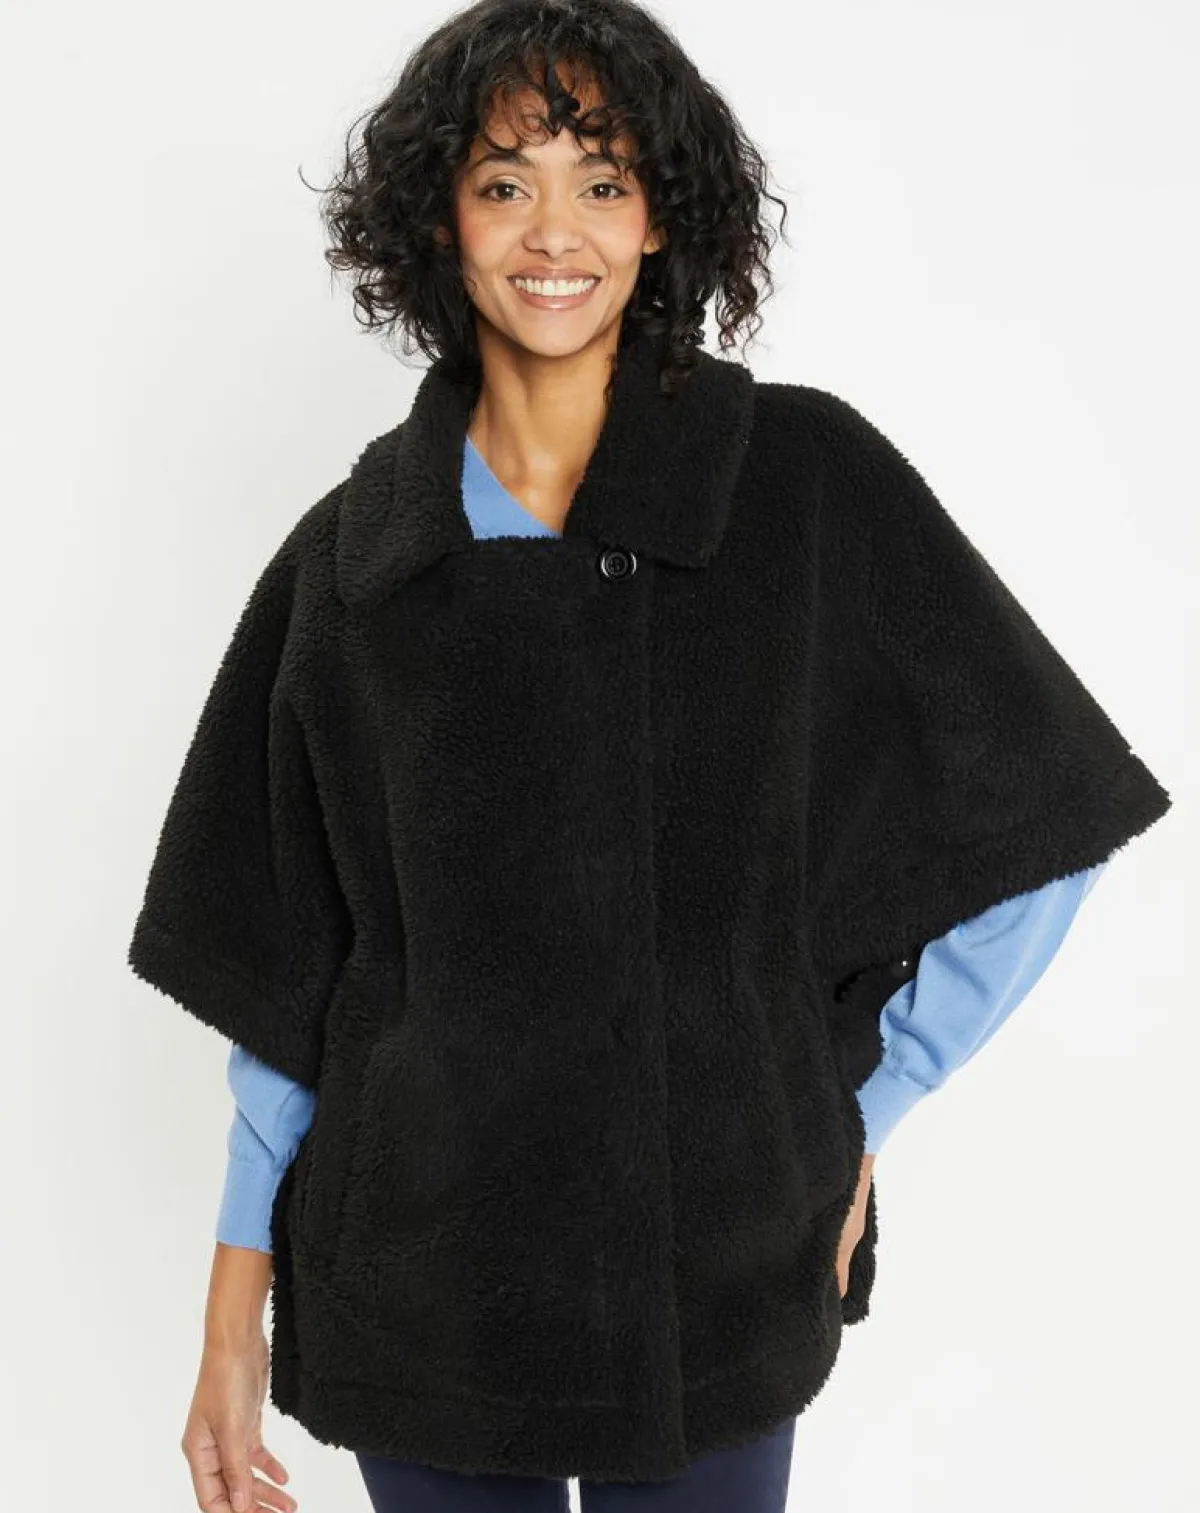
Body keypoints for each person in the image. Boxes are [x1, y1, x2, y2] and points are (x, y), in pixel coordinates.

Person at [126, 2, 1172, 1510]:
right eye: (504, 183)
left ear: (663, 215)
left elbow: (1040, 816)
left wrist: (860, 1107)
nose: (554, 231)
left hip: (720, 1264)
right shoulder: (357, 559)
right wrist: (232, 1325)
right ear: (439, 217)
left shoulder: (799, 482)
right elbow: (289, 975)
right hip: (417, 1275)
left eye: (603, 181)